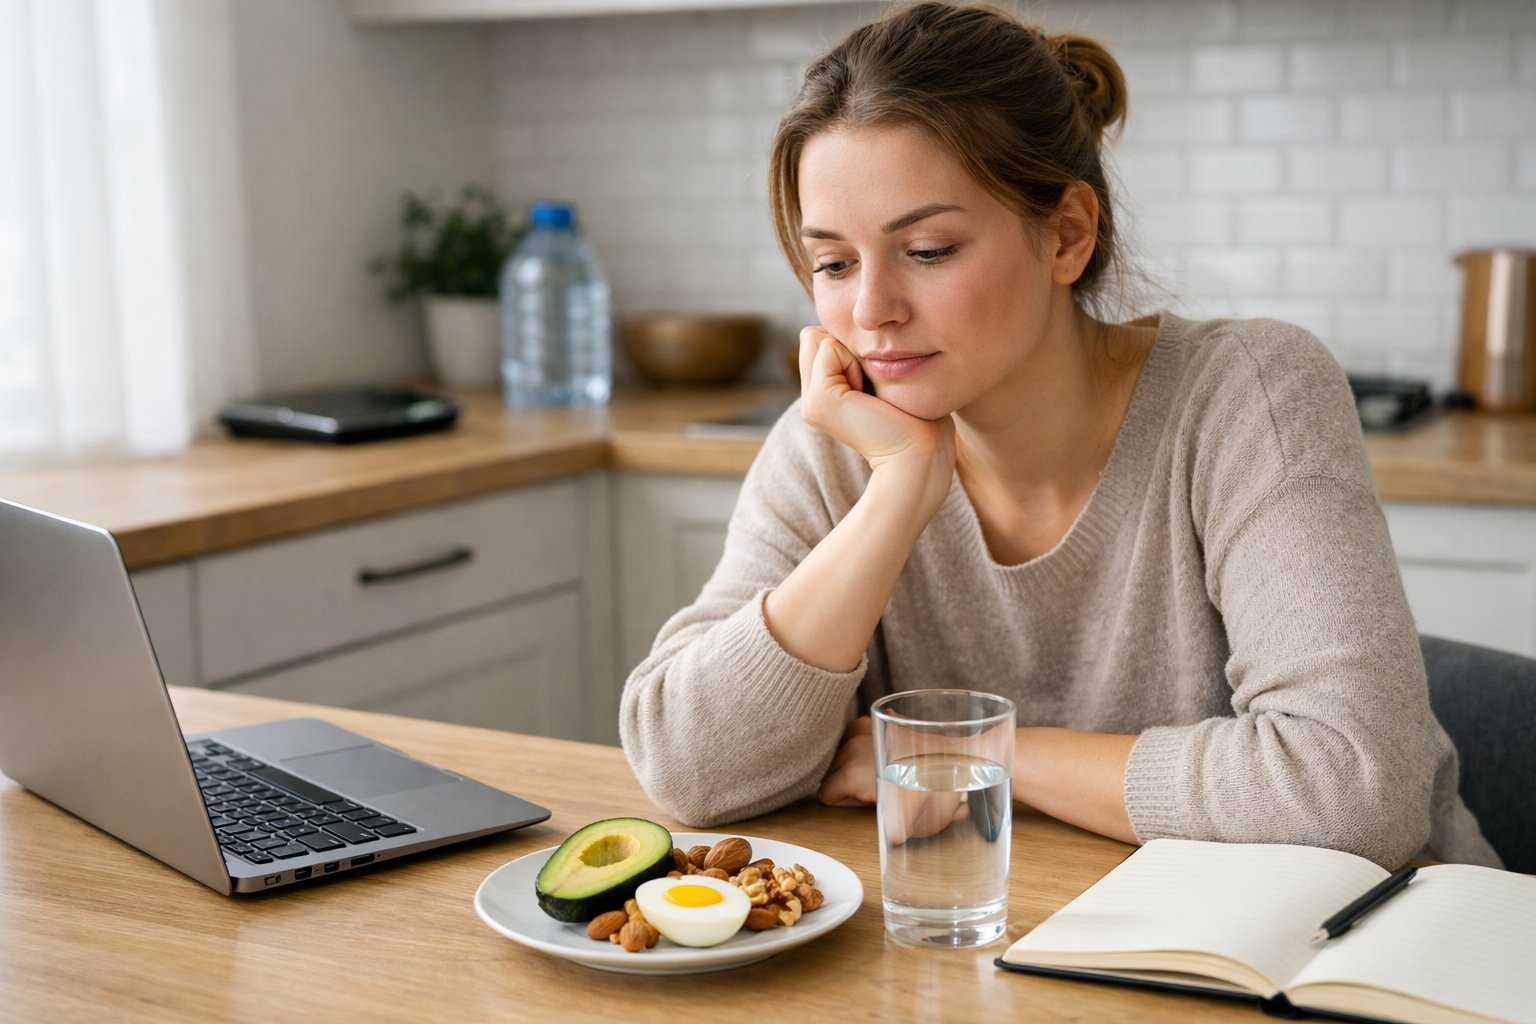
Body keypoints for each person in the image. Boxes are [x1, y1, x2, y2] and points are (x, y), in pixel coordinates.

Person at [619, 1, 1498, 869]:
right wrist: (896, 496)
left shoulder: (1247, 393)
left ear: (1067, 236)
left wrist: (978, 755)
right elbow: (690, 773)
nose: (872, 312)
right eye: (834, 264)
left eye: (927, 250)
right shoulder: (839, 444)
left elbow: (1352, 791)